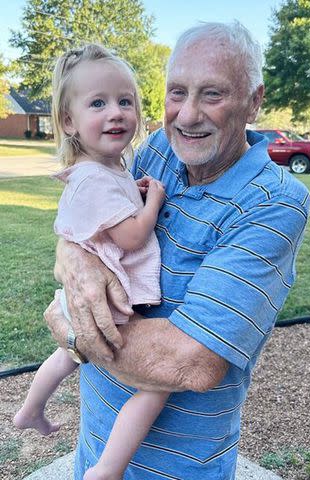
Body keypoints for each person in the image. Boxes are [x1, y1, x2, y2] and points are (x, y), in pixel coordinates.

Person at [45, 22, 310, 480]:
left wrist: (72, 329)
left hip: (178, 469)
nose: (187, 116)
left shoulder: (274, 203)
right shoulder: (160, 151)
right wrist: (72, 254)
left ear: (254, 100)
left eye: (212, 94)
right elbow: (93, 219)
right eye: (177, 92)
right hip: (95, 449)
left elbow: (193, 360)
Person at [13, 43, 170, 480]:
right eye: (97, 103)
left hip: (88, 296)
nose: (115, 112)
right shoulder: (93, 176)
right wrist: (153, 201)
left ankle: (31, 408)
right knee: (156, 387)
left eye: (125, 101)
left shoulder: (110, 168)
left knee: (66, 355)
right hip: (108, 302)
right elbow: (134, 236)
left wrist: (132, 193)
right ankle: (108, 468)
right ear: (69, 121)